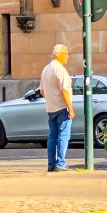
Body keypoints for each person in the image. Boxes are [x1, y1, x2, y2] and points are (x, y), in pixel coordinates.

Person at [39, 43, 75, 172]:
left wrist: (51, 98)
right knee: (63, 136)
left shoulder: (46, 69)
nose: (68, 57)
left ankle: (51, 164)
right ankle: (60, 163)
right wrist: (70, 108)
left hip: (51, 108)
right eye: (66, 54)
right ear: (59, 55)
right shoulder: (60, 70)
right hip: (62, 108)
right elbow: (65, 90)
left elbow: (42, 91)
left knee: (52, 136)